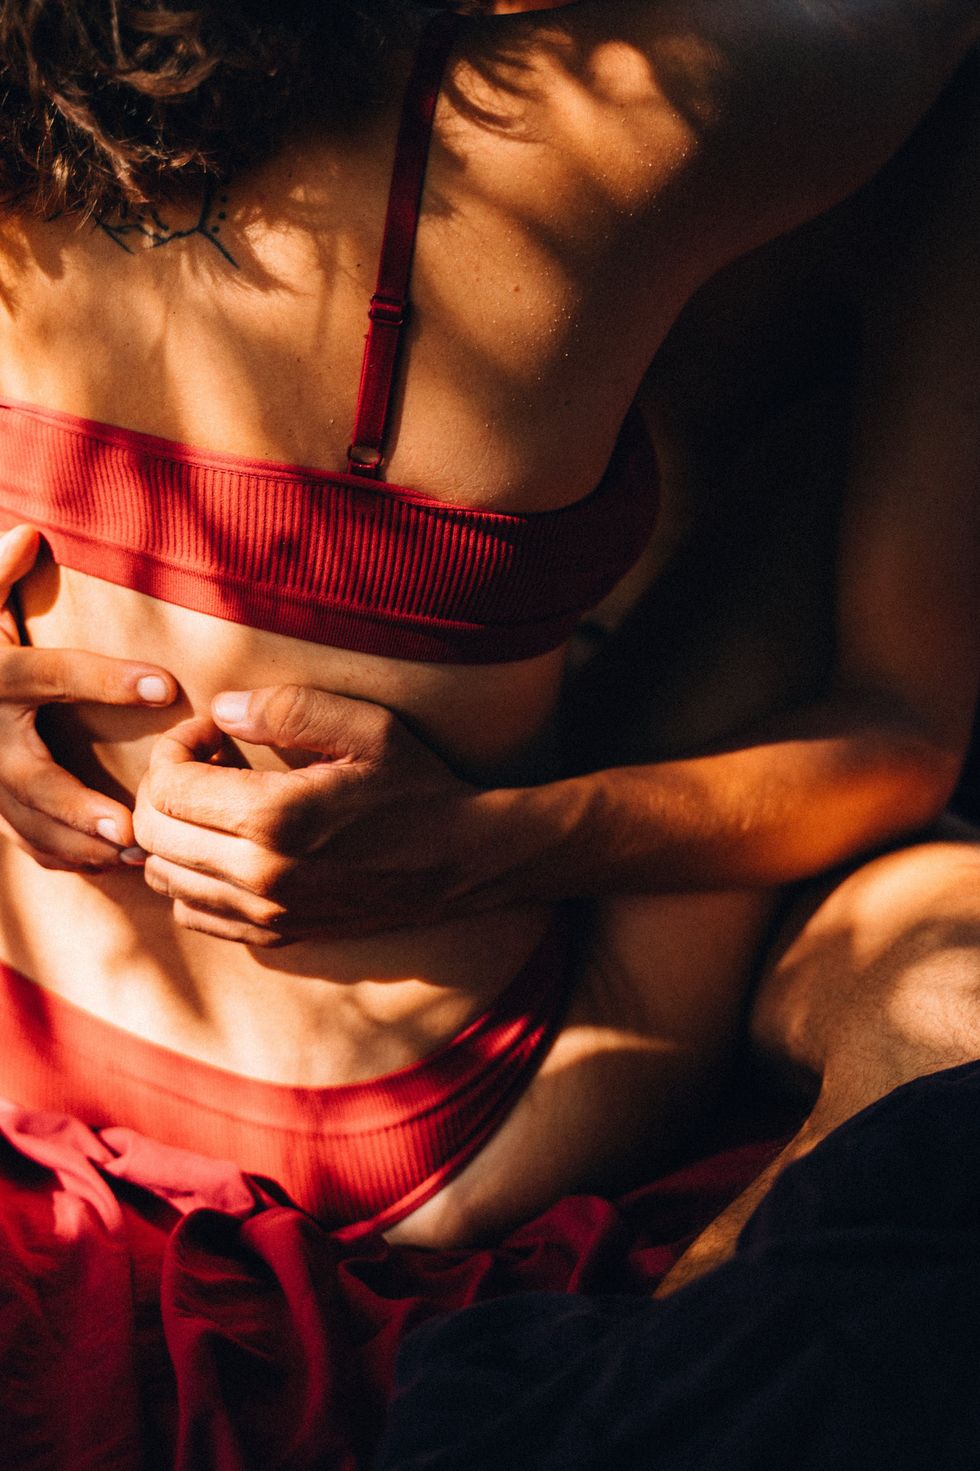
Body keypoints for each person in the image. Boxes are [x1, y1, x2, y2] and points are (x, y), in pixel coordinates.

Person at [0, 0, 977, 1258]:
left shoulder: (31, 94)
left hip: (26, 1028)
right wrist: (480, 847)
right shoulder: (600, 119)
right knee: (829, 421)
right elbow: (900, 740)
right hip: (426, 1132)